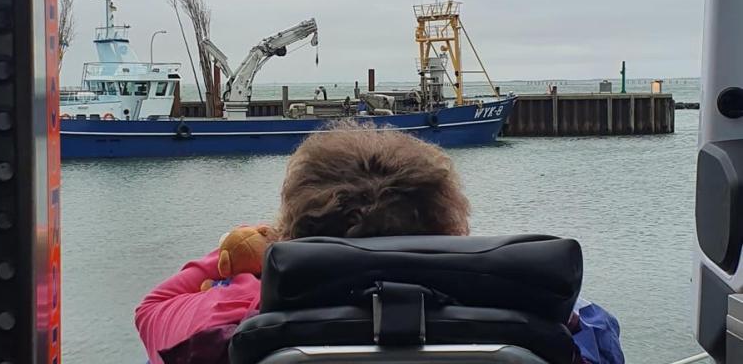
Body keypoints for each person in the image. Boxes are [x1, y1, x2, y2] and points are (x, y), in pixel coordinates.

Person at [135, 122, 623, 364]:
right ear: (449, 223)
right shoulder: (548, 317)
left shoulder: (238, 310)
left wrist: (248, 260)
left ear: (294, 231)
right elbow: (602, 344)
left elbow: (154, 310)